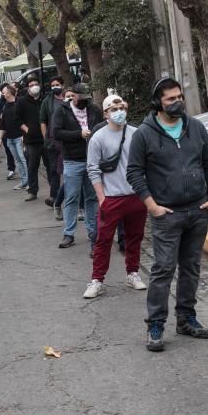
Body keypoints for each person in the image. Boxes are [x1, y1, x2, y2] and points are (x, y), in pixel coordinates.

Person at [125, 79, 208, 352]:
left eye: (179, 96)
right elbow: (134, 173)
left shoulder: (196, 127)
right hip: (166, 214)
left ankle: (186, 318)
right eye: (170, 99)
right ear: (157, 102)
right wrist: (152, 206)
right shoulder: (144, 134)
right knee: (163, 269)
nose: (177, 102)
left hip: (198, 211)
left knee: (191, 267)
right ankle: (155, 324)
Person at [84, 95, 147, 298]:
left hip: (135, 196)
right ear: (106, 114)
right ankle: (97, 279)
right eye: (114, 109)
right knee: (103, 241)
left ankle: (133, 273)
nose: (119, 112)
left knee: (134, 237)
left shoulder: (137, 134)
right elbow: (93, 169)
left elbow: (146, 164)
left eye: (121, 107)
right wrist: (101, 198)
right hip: (111, 198)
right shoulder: (98, 138)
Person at [52, 83, 102, 250]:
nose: (85, 101)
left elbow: (101, 129)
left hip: (91, 160)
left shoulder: (93, 109)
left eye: (87, 98)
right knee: (72, 197)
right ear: (73, 95)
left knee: (91, 197)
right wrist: (78, 134)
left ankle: (92, 232)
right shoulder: (62, 110)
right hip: (72, 160)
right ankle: (69, 233)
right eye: (82, 98)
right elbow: (56, 132)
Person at [17, 76, 49, 202]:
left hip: (46, 139)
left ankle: (54, 189)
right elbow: (17, 119)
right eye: (31, 85)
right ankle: (32, 191)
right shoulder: (22, 101)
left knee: (50, 165)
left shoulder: (45, 99)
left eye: (36, 83)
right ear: (27, 88)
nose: (34, 86)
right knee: (32, 166)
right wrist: (27, 130)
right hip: (31, 140)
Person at [40, 76, 66, 213]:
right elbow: (43, 121)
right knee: (54, 170)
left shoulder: (68, 99)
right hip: (53, 142)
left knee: (69, 170)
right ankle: (54, 196)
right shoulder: (47, 102)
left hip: (68, 141)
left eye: (57, 84)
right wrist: (47, 138)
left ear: (62, 85)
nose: (55, 86)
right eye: (53, 84)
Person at [0, 83, 27, 190]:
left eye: (4, 92)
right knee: (18, 160)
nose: (2, 93)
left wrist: (24, 136)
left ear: (9, 93)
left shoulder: (19, 103)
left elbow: (25, 121)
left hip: (19, 137)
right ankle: (24, 182)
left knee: (22, 159)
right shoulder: (5, 106)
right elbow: (3, 125)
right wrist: (0, 138)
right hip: (9, 138)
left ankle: (29, 182)